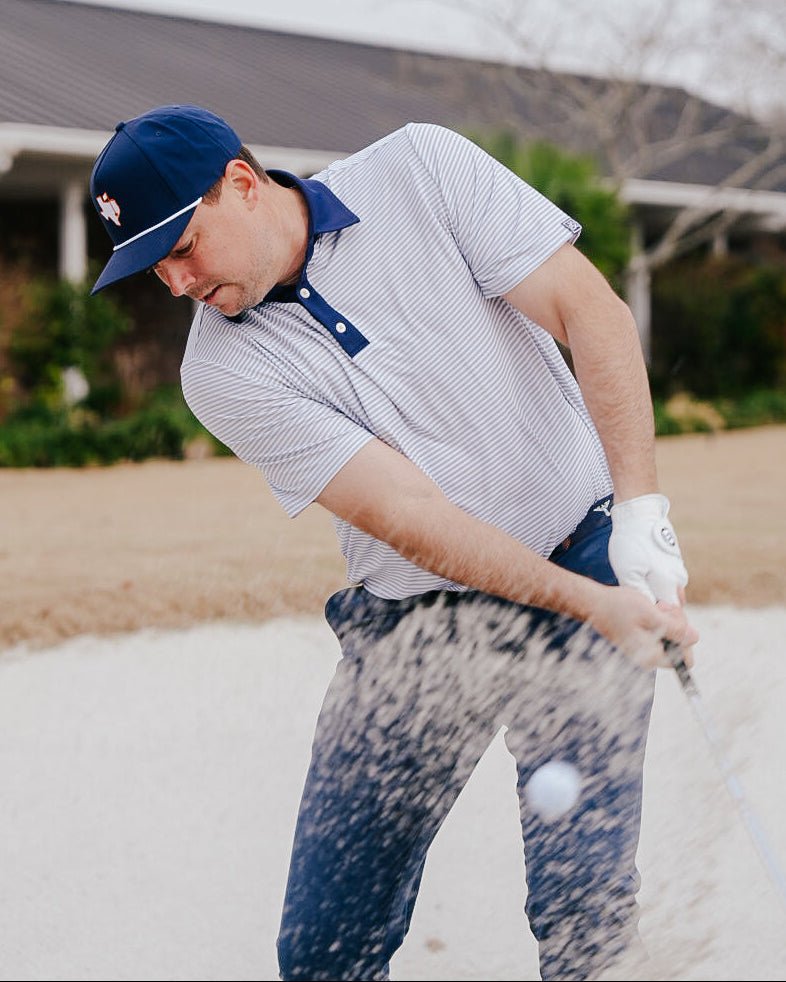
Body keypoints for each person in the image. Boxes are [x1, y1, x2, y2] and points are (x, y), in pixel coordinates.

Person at [89, 104, 697, 981]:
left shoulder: (421, 169)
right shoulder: (219, 372)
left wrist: (641, 517)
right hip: (417, 627)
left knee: (585, 923)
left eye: (180, 249)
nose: (175, 284)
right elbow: (415, 515)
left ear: (241, 184)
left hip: (580, 547)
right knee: (324, 950)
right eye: (153, 269)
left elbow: (586, 309)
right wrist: (595, 604)